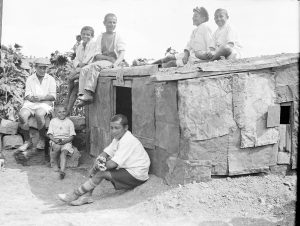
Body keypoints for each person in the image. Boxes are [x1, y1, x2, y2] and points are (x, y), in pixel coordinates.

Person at [58, 114, 150, 206]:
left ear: (126, 127)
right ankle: (87, 196)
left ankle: (75, 194)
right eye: (111, 128)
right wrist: (96, 163)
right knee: (99, 165)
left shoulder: (127, 140)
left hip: (137, 174)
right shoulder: (118, 138)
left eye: (117, 128)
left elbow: (112, 164)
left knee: (101, 173)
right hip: (128, 169)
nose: (113, 131)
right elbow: (105, 153)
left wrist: (97, 167)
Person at [76, 13, 126, 107]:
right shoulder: (100, 36)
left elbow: (122, 54)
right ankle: (82, 95)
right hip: (103, 60)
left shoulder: (118, 36)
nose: (112, 24)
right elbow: (97, 55)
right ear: (104, 23)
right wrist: (106, 57)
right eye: (109, 22)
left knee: (95, 66)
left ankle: (89, 94)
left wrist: (115, 63)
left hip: (113, 62)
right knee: (84, 69)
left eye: (114, 22)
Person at [18, 58, 56, 150]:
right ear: (35, 67)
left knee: (39, 114)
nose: (43, 70)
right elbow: (27, 94)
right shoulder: (30, 79)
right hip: (31, 103)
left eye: (45, 68)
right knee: (22, 115)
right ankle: (28, 141)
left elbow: (53, 96)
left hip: (45, 104)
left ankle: (42, 139)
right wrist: (32, 98)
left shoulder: (50, 79)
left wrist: (42, 98)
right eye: (40, 68)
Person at [64, 26, 97, 115]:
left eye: (88, 35)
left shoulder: (94, 45)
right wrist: (78, 65)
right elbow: (76, 59)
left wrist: (81, 65)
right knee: (75, 89)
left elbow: (90, 57)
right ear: (81, 35)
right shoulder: (79, 46)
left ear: (92, 36)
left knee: (70, 78)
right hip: (80, 68)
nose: (85, 36)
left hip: (89, 69)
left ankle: (67, 97)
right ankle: (68, 111)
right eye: (83, 34)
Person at [47, 105, 76, 179]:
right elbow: (50, 134)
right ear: (56, 113)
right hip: (55, 140)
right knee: (56, 148)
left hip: (66, 141)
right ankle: (55, 163)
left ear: (66, 112)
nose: (62, 113)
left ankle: (62, 171)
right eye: (59, 112)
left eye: (63, 111)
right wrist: (54, 140)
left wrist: (65, 141)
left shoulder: (69, 122)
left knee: (63, 154)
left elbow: (72, 136)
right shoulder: (53, 121)